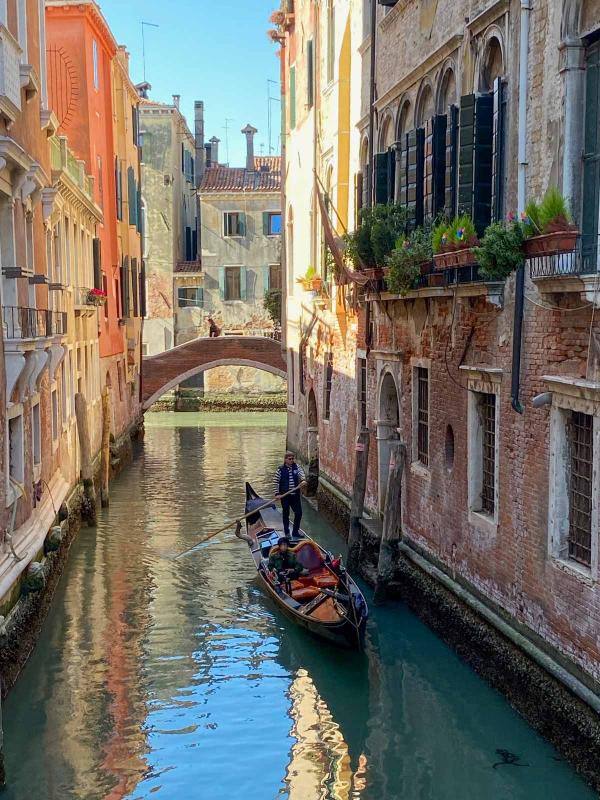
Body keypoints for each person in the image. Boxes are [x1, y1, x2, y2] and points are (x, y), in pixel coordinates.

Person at [273, 451, 306, 538]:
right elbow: (275, 482)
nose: (291, 460)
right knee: (286, 514)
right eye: (290, 459)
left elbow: (301, 474)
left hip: (295, 495)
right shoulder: (280, 470)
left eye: (292, 459)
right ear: (285, 459)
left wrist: (303, 480)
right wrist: (277, 494)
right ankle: (287, 532)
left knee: (299, 513)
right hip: (285, 496)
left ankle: (295, 532)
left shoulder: (297, 467)